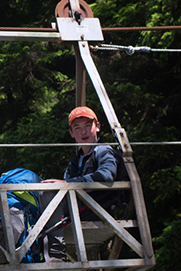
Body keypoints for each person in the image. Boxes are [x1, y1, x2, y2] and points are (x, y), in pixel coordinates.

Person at [45, 106, 129, 261]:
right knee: (40, 194)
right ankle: (34, 249)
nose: (83, 132)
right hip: (81, 209)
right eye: (77, 128)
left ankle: (56, 253)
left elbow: (106, 176)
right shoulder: (75, 162)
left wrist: (68, 182)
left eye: (87, 126)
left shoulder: (103, 151)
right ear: (71, 133)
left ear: (97, 127)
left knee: (49, 194)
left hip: (99, 209)